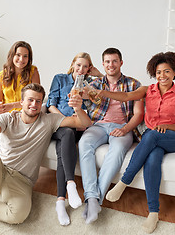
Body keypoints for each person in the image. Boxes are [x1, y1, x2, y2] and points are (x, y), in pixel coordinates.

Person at [0, 83, 92, 232]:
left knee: (18, 215)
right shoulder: (8, 118)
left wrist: (77, 108)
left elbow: (85, 122)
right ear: (22, 102)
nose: (34, 104)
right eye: (30, 100)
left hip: (22, 182)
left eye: (38, 101)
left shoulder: (49, 120)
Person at [101, 51, 175, 233]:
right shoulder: (148, 90)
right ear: (154, 73)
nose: (162, 76)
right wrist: (101, 92)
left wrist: (166, 125)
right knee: (152, 160)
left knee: (153, 134)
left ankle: (124, 182)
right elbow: (126, 96)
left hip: (174, 138)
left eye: (166, 71)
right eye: (158, 72)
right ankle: (153, 213)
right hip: (153, 140)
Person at [78, 48, 144, 224]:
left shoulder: (134, 84)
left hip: (122, 126)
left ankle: (93, 201)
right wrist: (78, 95)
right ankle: (93, 198)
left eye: (114, 61)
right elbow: (81, 103)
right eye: (107, 61)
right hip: (98, 125)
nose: (111, 65)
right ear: (103, 64)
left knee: (117, 150)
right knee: (84, 144)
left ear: (121, 62)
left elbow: (138, 115)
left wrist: (125, 129)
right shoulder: (95, 85)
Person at [46, 52, 102, 226]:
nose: (81, 69)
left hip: (78, 128)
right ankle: (70, 184)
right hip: (58, 124)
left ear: (89, 69)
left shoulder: (89, 87)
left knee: (67, 140)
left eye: (85, 67)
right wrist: (64, 120)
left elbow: (99, 102)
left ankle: (60, 202)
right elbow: (50, 105)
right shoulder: (60, 79)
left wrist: (98, 75)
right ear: (72, 64)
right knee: (67, 133)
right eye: (78, 65)